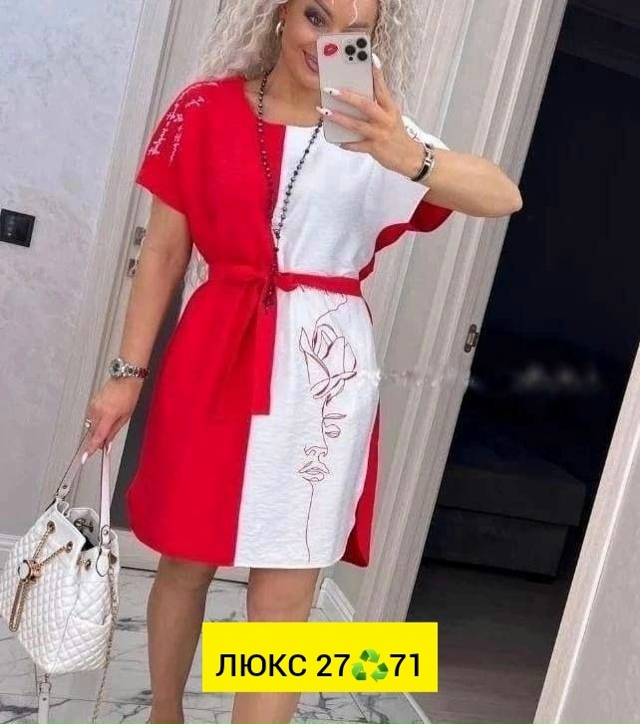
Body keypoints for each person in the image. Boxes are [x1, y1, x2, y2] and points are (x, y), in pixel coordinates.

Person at [84, 1, 522, 723]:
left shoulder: (373, 127)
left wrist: (406, 154)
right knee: (185, 560)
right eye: (315, 16)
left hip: (322, 379)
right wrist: (124, 376)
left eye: (353, 33)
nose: (327, 43)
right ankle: (166, 712)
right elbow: (162, 251)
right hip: (214, 353)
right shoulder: (204, 109)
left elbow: (503, 195)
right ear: (278, 12)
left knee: (284, 598)